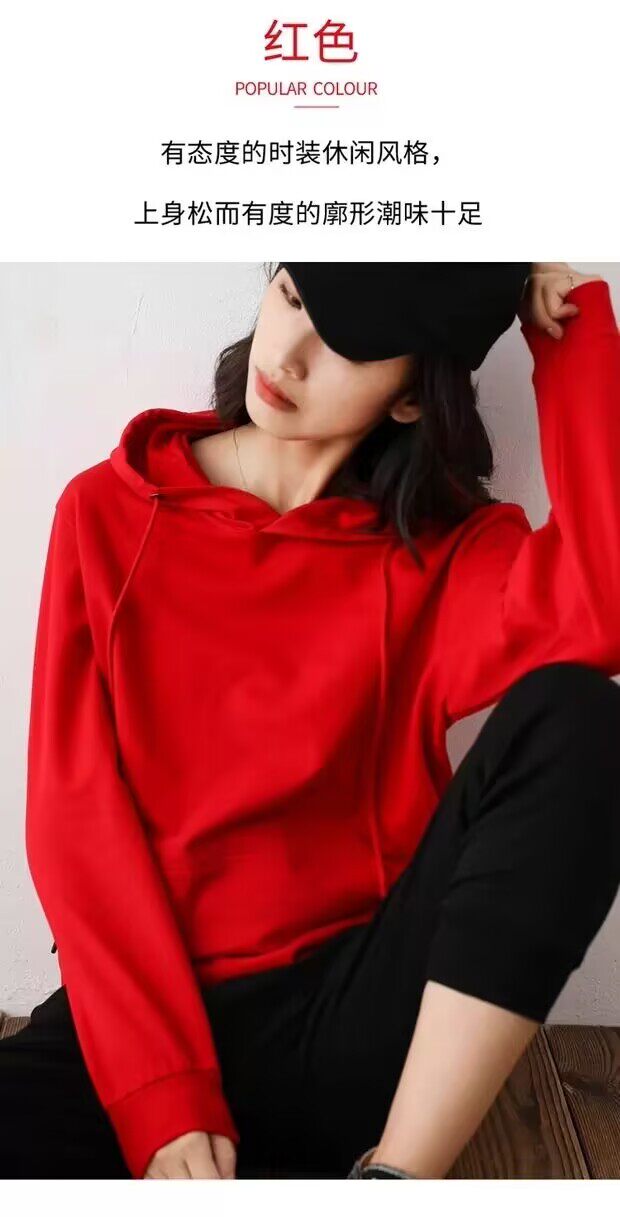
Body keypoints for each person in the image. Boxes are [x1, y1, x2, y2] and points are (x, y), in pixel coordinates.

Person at [2, 261, 620, 1181]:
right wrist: (162, 1095)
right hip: (149, 1019)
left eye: (348, 346)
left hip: (355, 1011)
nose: (287, 355)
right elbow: (72, 815)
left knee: (580, 716)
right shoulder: (109, 511)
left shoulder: (440, 553)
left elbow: (602, 609)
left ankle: (395, 1178)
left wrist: (570, 335)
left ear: (411, 398)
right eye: (291, 296)